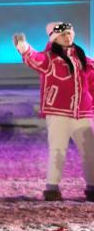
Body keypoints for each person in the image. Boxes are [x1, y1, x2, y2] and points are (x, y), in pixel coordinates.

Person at [15, 22, 94, 202]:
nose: (67, 37)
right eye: (63, 34)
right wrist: (24, 47)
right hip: (58, 112)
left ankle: (92, 186)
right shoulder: (49, 59)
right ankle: (52, 188)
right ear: (54, 38)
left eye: (69, 33)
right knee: (57, 150)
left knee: (90, 151)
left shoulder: (86, 60)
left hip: (83, 113)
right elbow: (35, 59)